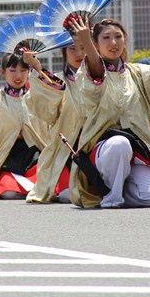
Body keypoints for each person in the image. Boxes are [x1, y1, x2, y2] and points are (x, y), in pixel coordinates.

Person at [68, 18, 150, 209]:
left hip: (139, 150)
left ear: (125, 40)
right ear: (95, 44)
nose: (114, 43)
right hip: (102, 150)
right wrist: (85, 40)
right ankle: (112, 196)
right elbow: (95, 72)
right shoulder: (88, 73)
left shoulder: (137, 73)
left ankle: (115, 190)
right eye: (106, 37)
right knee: (119, 144)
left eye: (118, 36)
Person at [0, 45, 65, 200]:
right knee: (9, 194)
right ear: (3, 72)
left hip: (35, 156)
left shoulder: (35, 97)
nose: (18, 75)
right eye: (12, 70)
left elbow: (57, 96)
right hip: (7, 158)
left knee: (55, 186)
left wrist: (38, 67)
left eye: (24, 70)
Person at [27, 18, 90, 204]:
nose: (79, 53)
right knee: (68, 194)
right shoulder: (59, 83)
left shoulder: (102, 77)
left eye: (83, 47)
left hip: (96, 143)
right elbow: (48, 114)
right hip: (67, 150)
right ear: (63, 52)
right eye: (72, 48)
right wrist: (38, 70)